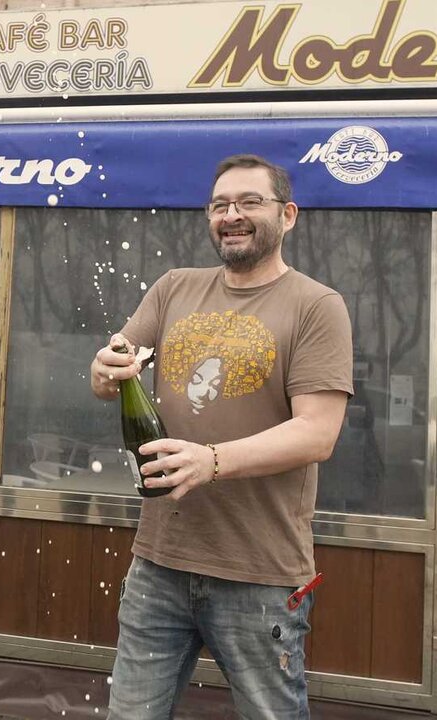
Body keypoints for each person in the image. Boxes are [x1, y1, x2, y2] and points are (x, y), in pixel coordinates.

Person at [90, 155, 352, 719]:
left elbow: (317, 434)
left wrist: (211, 460)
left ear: (288, 215)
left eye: (249, 202)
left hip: (259, 574)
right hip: (158, 564)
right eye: (219, 205)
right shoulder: (173, 287)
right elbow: (110, 377)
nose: (231, 215)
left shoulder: (316, 306)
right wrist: (105, 368)